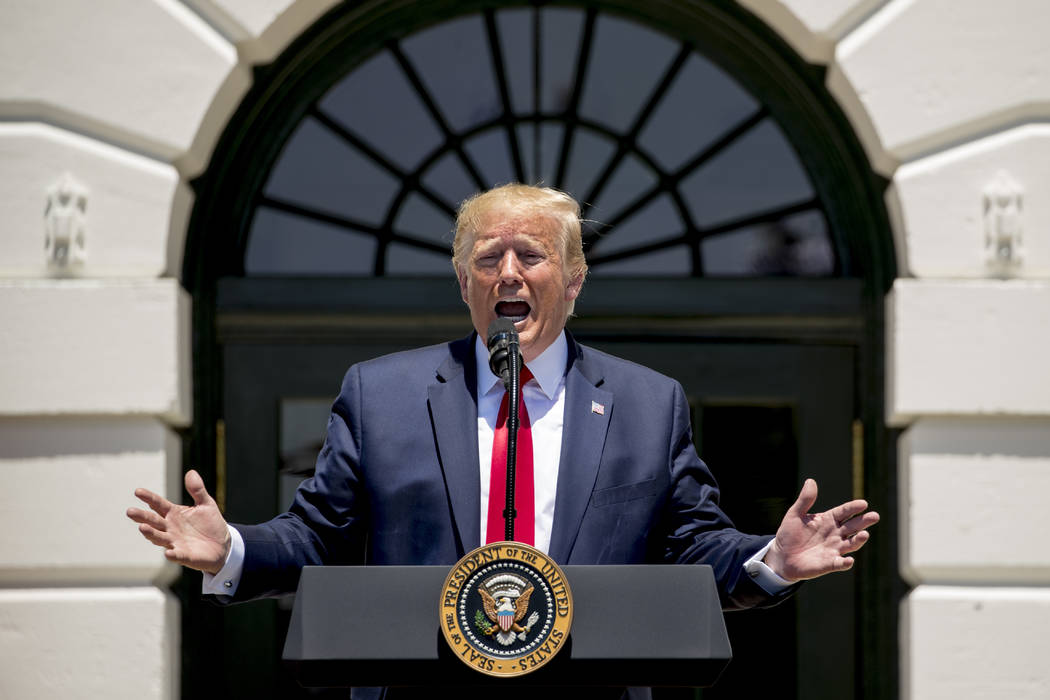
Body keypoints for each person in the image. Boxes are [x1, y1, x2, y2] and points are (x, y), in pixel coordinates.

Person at [128, 184, 879, 693]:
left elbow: (696, 549)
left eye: (532, 255)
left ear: (575, 279)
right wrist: (234, 551)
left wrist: (770, 561)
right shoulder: (381, 395)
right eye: (488, 258)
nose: (508, 272)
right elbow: (317, 534)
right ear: (464, 281)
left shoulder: (649, 405)